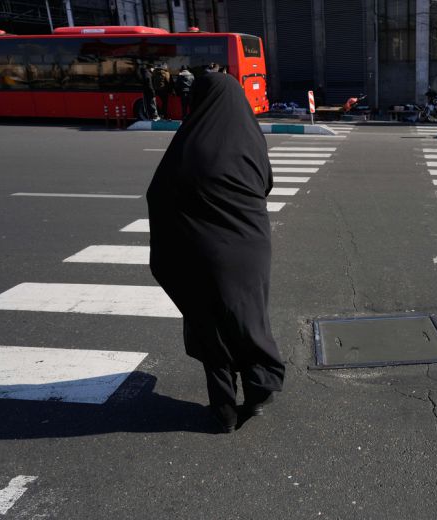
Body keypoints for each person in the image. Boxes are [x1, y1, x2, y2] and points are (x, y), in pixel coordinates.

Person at [146, 73, 285, 433]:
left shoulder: (189, 142)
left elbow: (158, 194)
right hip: (249, 247)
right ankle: (261, 386)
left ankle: (223, 412)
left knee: (210, 327)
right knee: (249, 318)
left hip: (199, 251)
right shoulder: (250, 136)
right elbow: (265, 183)